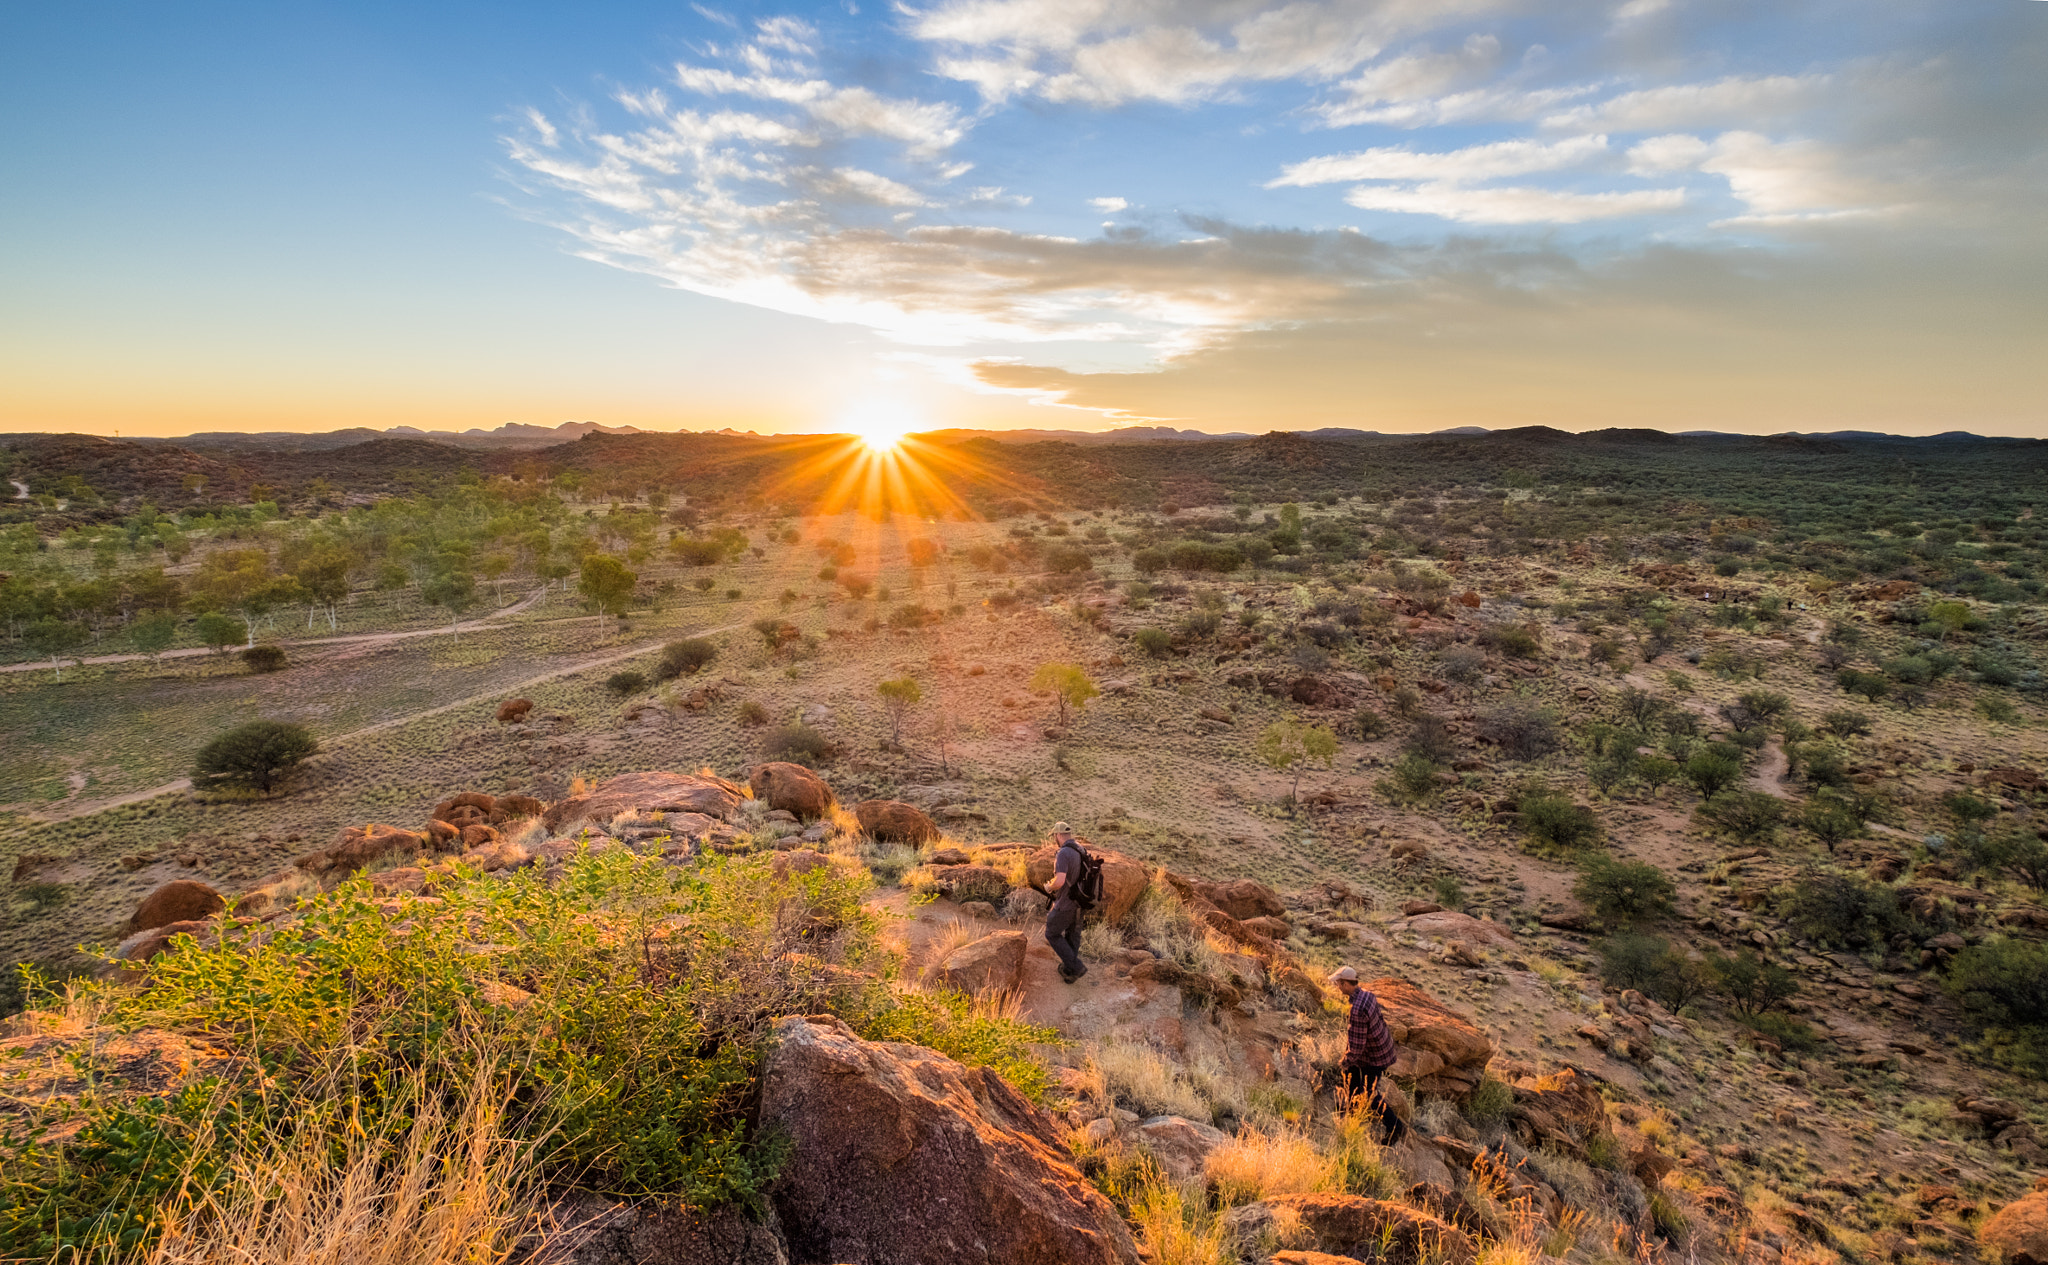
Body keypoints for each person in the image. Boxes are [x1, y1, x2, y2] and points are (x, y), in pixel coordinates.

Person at [1328, 966, 1408, 1144]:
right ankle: (1351, 1111)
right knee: (1354, 1078)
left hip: (1373, 1057)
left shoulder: (1356, 1009)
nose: (1338, 987)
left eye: (1339, 984)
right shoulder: (1366, 994)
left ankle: (1395, 1126)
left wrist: (1345, 1061)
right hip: (1381, 1049)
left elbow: (1356, 1046)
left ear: (1345, 983)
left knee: (1369, 1093)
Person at [1043, 822, 1088, 983]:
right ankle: (1070, 972)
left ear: (1058, 835)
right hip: (1081, 901)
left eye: (1054, 836)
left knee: (1051, 933)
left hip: (1067, 903)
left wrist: (1049, 887)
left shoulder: (1063, 853)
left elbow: (1060, 880)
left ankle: (1076, 967)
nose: (1054, 839)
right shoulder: (1080, 849)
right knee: (1072, 934)